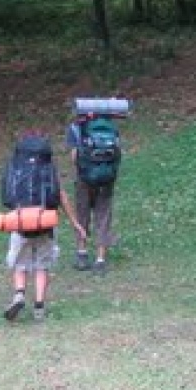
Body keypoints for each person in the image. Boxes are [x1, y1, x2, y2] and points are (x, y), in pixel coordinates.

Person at [1, 133, 86, 322]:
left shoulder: (15, 168)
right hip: (45, 222)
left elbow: (7, 196)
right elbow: (61, 195)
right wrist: (75, 223)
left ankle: (19, 294)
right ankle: (39, 307)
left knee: (19, 265)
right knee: (42, 266)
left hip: (20, 222)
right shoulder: (48, 169)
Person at [67, 114, 119, 273]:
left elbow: (73, 156)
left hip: (84, 178)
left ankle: (82, 254)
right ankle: (100, 259)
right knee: (103, 215)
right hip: (107, 178)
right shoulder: (111, 127)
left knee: (82, 213)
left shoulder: (76, 127)